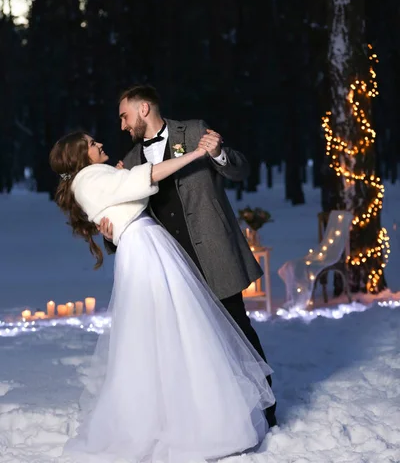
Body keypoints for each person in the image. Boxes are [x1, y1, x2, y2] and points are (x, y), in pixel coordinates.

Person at [49, 131, 275, 463]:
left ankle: (183, 415)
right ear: (80, 156)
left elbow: (127, 194)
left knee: (172, 330)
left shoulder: (95, 176)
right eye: (92, 143)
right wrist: (195, 155)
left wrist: (122, 176)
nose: (99, 143)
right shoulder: (91, 177)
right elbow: (149, 177)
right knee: (175, 329)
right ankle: (192, 421)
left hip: (147, 246)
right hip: (145, 250)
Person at [100, 85, 277, 428]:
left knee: (239, 332)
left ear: (144, 109)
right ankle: (218, 417)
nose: (122, 125)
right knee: (195, 345)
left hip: (214, 253)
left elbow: (240, 169)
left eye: (125, 116)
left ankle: (266, 409)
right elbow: (130, 218)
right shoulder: (133, 161)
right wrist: (111, 237)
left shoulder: (195, 131)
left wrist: (219, 153)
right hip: (171, 269)